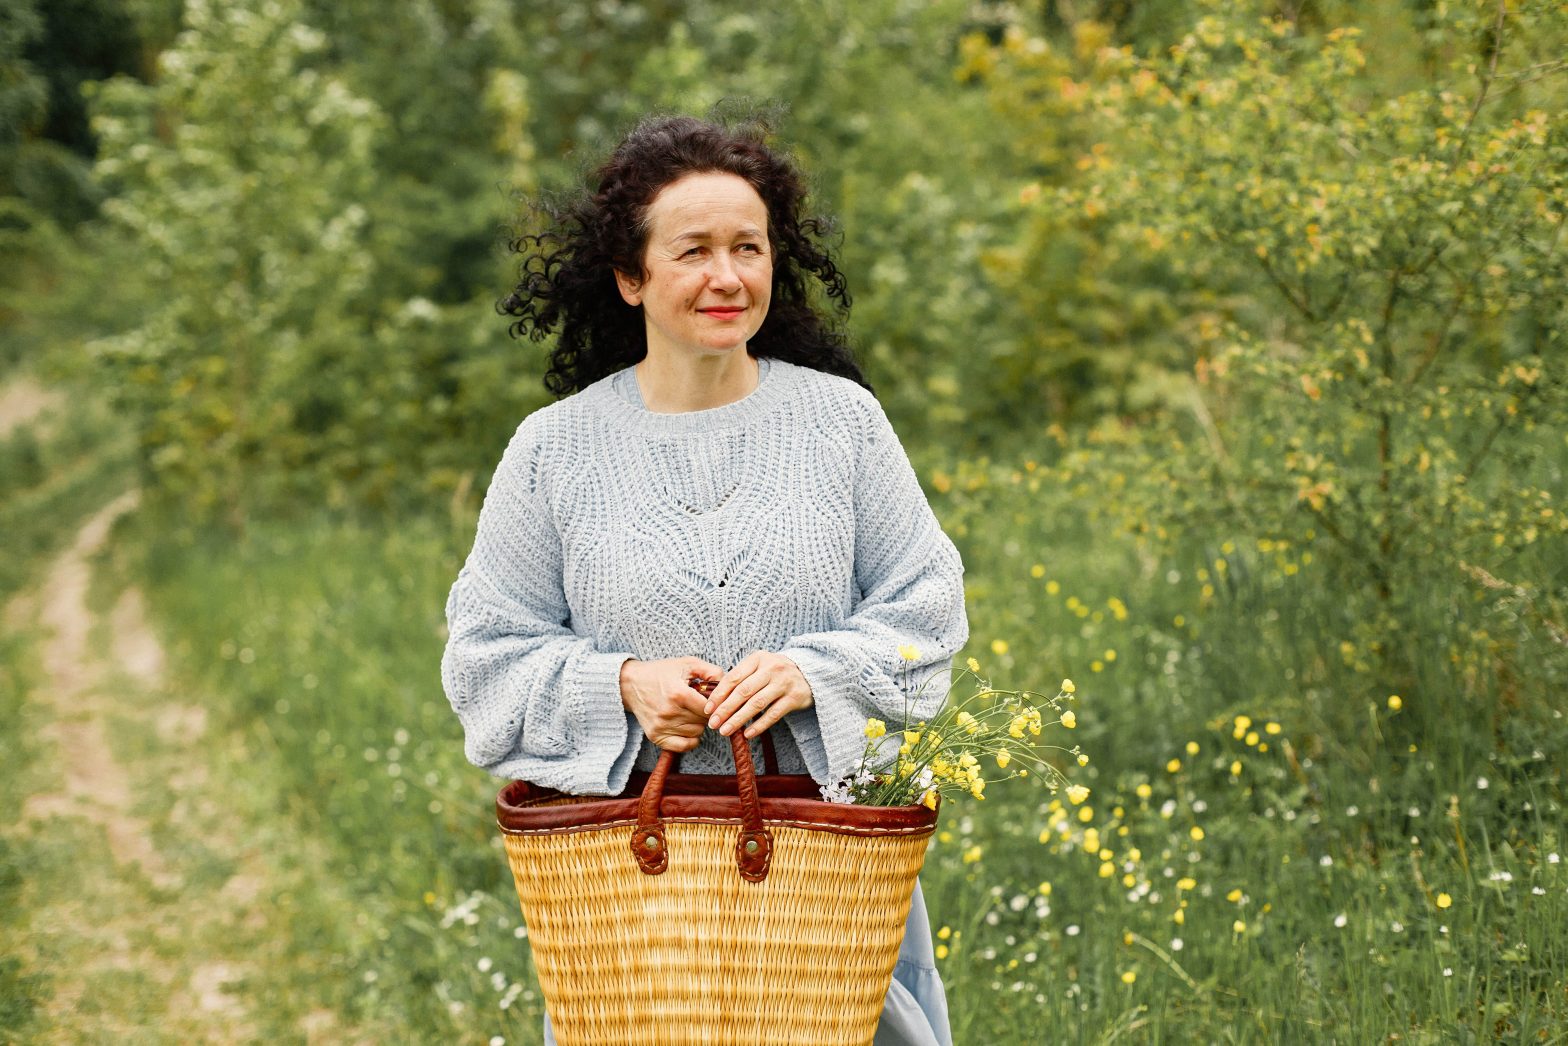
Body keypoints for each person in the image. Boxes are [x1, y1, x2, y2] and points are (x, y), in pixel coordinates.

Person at [440, 112, 969, 1046]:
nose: (727, 276)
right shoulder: (551, 452)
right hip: (635, 891)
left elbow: (926, 606)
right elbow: (485, 659)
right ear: (631, 276)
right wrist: (622, 686)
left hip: (825, 878)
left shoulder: (843, 425)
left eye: (748, 248)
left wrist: (817, 672)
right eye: (693, 251)